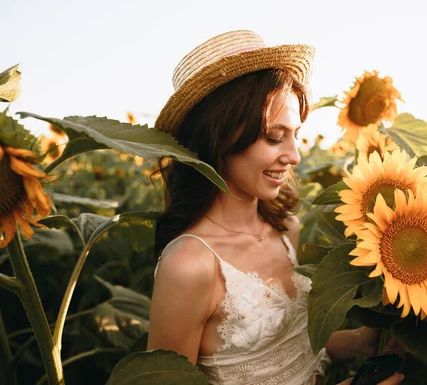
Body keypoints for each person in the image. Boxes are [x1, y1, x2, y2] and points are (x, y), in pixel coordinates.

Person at [147, 30, 405, 385]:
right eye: (273, 137)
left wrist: (361, 342)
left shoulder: (286, 228)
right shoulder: (189, 265)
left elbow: (291, 348)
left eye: (295, 134)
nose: (294, 155)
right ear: (218, 136)